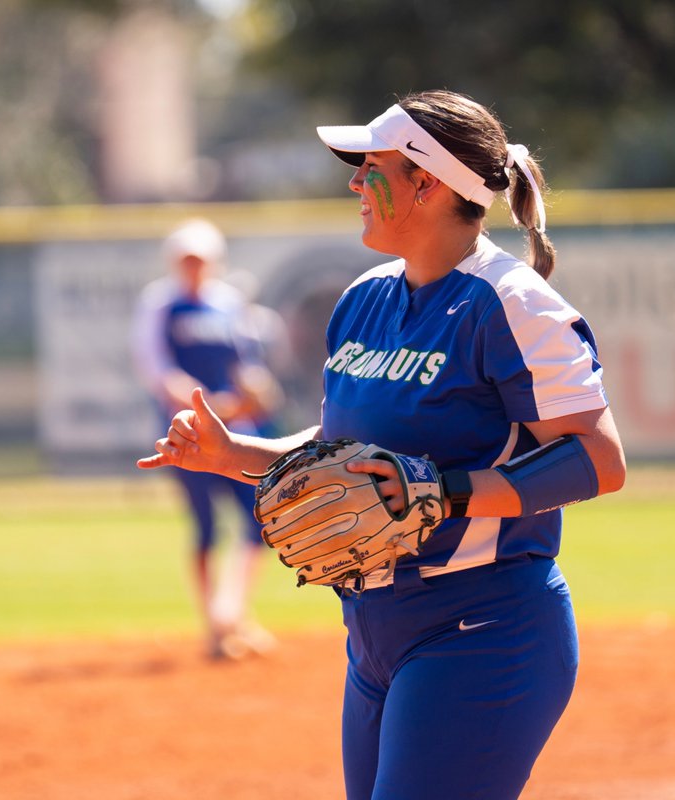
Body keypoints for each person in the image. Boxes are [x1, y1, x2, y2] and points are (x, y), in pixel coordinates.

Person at [137, 91, 626, 798]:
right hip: (373, 635)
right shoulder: (364, 298)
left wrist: (447, 492)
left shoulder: (510, 304)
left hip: (483, 628)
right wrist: (232, 453)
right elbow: (344, 453)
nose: (354, 183)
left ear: (426, 183)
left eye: (372, 167)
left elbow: (599, 460)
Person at [131, 217, 283, 661]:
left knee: (260, 519)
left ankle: (231, 613)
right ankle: (215, 627)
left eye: (201, 259)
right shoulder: (161, 304)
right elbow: (157, 367)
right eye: (187, 259)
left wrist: (254, 391)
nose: (194, 267)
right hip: (189, 430)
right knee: (206, 526)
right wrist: (200, 402)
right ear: (175, 262)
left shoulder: (228, 303)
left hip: (237, 429)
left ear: (214, 262)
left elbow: (247, 365)